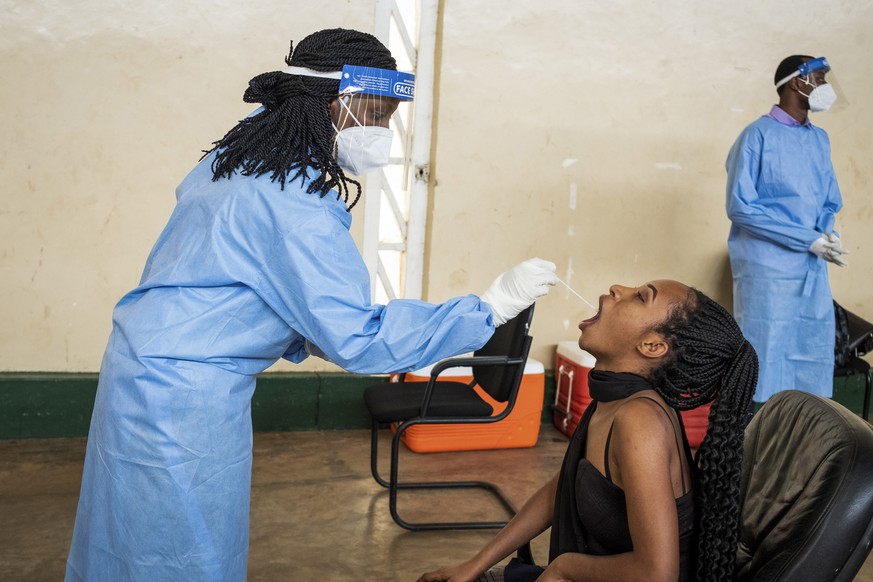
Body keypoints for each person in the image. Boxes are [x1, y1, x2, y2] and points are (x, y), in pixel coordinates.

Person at [65, 28, 558, 582]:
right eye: (379, 114)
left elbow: (254, 287)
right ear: (335, 104)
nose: (383, 131)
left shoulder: (238, 158)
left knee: (122, 536)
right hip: (183, 396)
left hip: (140, 367)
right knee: (179, 549)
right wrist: (489, 308)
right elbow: (357, 338)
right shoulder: (293, 202)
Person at [418, 280, 758, 582]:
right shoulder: (611, 397)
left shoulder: (639, 421)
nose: (617, 289)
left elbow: (657, 574)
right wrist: (474, 565)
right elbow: (562, 488)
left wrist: (564, 568)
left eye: (640, 297)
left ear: (652, 346)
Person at [725, 54, 845, 405]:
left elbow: (828, 200)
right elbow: (741, 208)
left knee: (810, 347)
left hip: (810, 269)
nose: (824, 87)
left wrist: (826, 234)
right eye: (819, 78)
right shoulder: (756, 136)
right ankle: (755, 445)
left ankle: (803, 446)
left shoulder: (819, 139)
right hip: (768, 272)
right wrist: (806, 239)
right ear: (797, 82)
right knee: (765, 353)